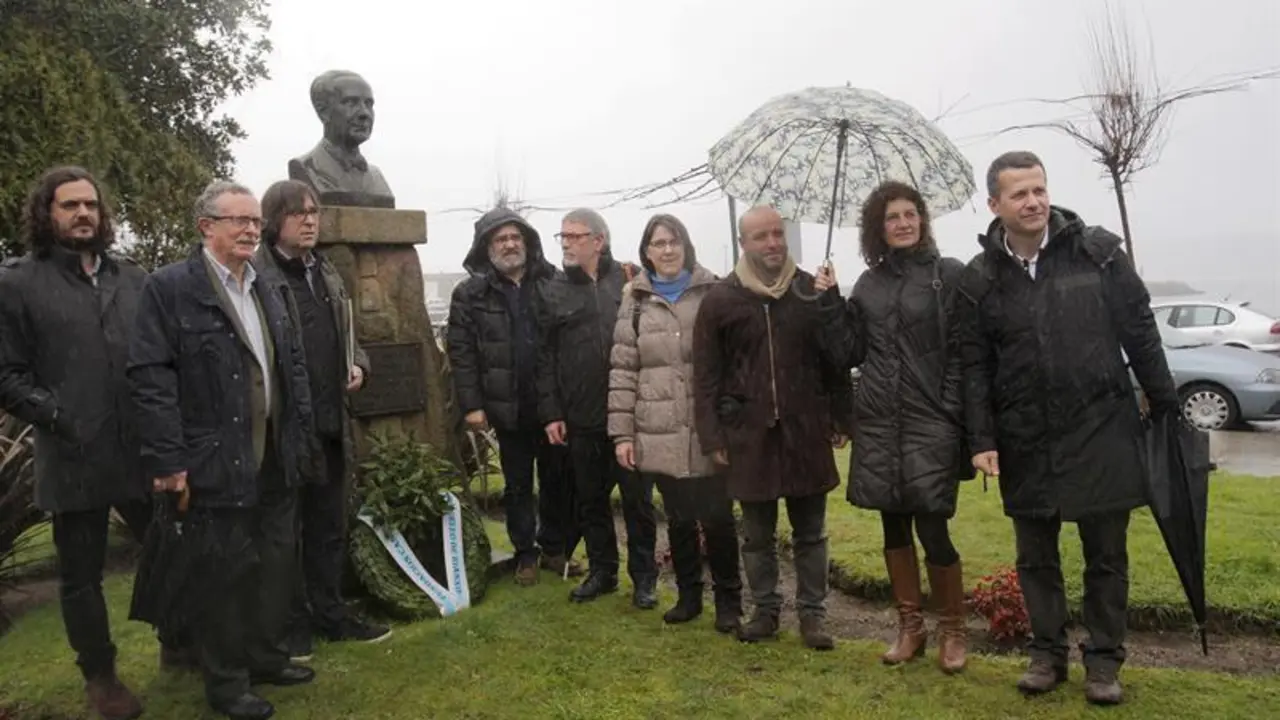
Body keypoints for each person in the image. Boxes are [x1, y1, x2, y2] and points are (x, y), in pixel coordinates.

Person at [958, 151, 1178, 705]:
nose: (1033, 202)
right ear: (994, 205)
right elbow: (974, 365)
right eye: (1019, 194)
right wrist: (981, 439)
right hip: (1024, 436)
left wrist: (1166, 403)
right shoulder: (981, 277)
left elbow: (1140, 330)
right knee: (1036, 557)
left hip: (1101, 427)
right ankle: (1046, 655)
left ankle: (1104, 664)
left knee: (1106, 556)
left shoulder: (1098, 254)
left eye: (1039, 189)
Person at [129, 180, 316, 720]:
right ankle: (227, 682)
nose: (251, 230)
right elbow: (150, 378)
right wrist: (169, 461)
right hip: (215, 459)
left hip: (275, 456)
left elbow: (290, 366)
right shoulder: (169, 289)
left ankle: (265, 657)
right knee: (224, 576)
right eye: (239, 220)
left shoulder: (267, 285)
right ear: (205, 227)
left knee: (274, 565)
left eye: (256, 221)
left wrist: (299, 439)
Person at [0, 166, 151, 720]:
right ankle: (102, 678)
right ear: (47, 214)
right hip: (72, 454)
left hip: (141, 449)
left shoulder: (131, 278)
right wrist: (60, 416)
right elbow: (6, 374)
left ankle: (182, 642)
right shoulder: (16, 283)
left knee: (169, 552)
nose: (83, 213)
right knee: (81, 578)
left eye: (90, 204)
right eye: (69, 206)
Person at [692, 205, 852, 650]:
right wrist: (713, 435)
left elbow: (837, 360)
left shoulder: (809, 289)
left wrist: (840, 417)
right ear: (744, 243)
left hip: (806, 431)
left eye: (778, 233)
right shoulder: (721, 299)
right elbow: (706, 376)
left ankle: (813, 616)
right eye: (761, 236)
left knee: (811, 534)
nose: (772, 243)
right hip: (748, 435)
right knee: (758, 536)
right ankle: (764, 611)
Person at [829, 181, 970, 672]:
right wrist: (829, 300)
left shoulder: (947, 276)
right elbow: (849, 351)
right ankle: (910, 627)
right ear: (878, 226)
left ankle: (953, 630)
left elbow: (962, 351)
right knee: (893, 528)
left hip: (931, 421)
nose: (904, 222)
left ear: (922, 220)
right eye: (893, 216)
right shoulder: (868, 284)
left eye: (911, 214)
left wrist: (950, 408)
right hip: (879, 421)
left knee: (934, 528)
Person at [253, 179, 391, 661]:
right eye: (298, 213)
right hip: (284, 430)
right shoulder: (258, 276)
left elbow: (348, 337)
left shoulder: (326, 272)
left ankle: (330, 615)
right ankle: (290, 627)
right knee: (283, 535)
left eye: (314, 212)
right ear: (274, 220)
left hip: (332, 426)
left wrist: (359, 365)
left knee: (329, 527)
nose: (310, 220)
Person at [608, 214, 742, 632]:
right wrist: (622, 435)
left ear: (686, 246)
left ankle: (729, 601)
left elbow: (734, 362)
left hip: (707, 429)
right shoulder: (634, 301)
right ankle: (688, 596)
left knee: (718, 518)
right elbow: (624, 370)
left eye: (674, 242)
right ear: (646, 251)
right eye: (658, 243)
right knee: (680, 519)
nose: (667, 250)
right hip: (659, 428)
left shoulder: (715, 291)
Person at [448, 206, 582, 585]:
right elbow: (461, 352)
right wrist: (472, 405)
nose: (509, 244)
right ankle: (525, 553)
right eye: (500, 239)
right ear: (487, 247)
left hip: (551, 406)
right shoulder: (470, 294)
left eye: (514, 237)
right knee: (519, 484)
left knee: (557, 480)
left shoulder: (552, 283)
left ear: (527, 242)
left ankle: (554, 548)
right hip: (506, 407)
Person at [536, 208, 658, 607]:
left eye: (574, 236)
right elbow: (544, 358)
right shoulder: (552, 290)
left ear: (598, 240)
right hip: (581, 413)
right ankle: (603, 571)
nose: (567, 244)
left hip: (630, 414)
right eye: (563, 237)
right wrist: (552, 411)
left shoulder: (629, 279)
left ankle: (644, 579)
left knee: (637, 499)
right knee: (590, 499)